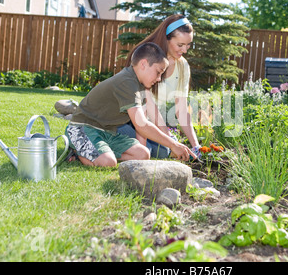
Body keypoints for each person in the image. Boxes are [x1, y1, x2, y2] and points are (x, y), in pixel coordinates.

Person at [65, 42, 196, 167]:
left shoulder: (141, 86)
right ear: (143, 64)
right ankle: (78, 151)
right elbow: (142, 125)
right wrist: (173, 144)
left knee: (143, 154)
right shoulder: (126, 82)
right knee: (108, 162)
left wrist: (142, 154)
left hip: (108, 132)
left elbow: (141, 125)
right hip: (82, 128)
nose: (158, 79)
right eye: (158, 72)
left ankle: (97, 152)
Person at [118, 14, 202, 159]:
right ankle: (96, 144)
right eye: (180, 45)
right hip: (125, 119)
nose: (185, 50)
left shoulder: (183, 66)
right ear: (166, 38)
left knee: (163, 152)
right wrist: (171, 140)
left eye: (188, 45)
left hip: (147, 125)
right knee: (153, 149)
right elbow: (148, 105)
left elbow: (181, 109)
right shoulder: (147, 58)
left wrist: (196, 146)